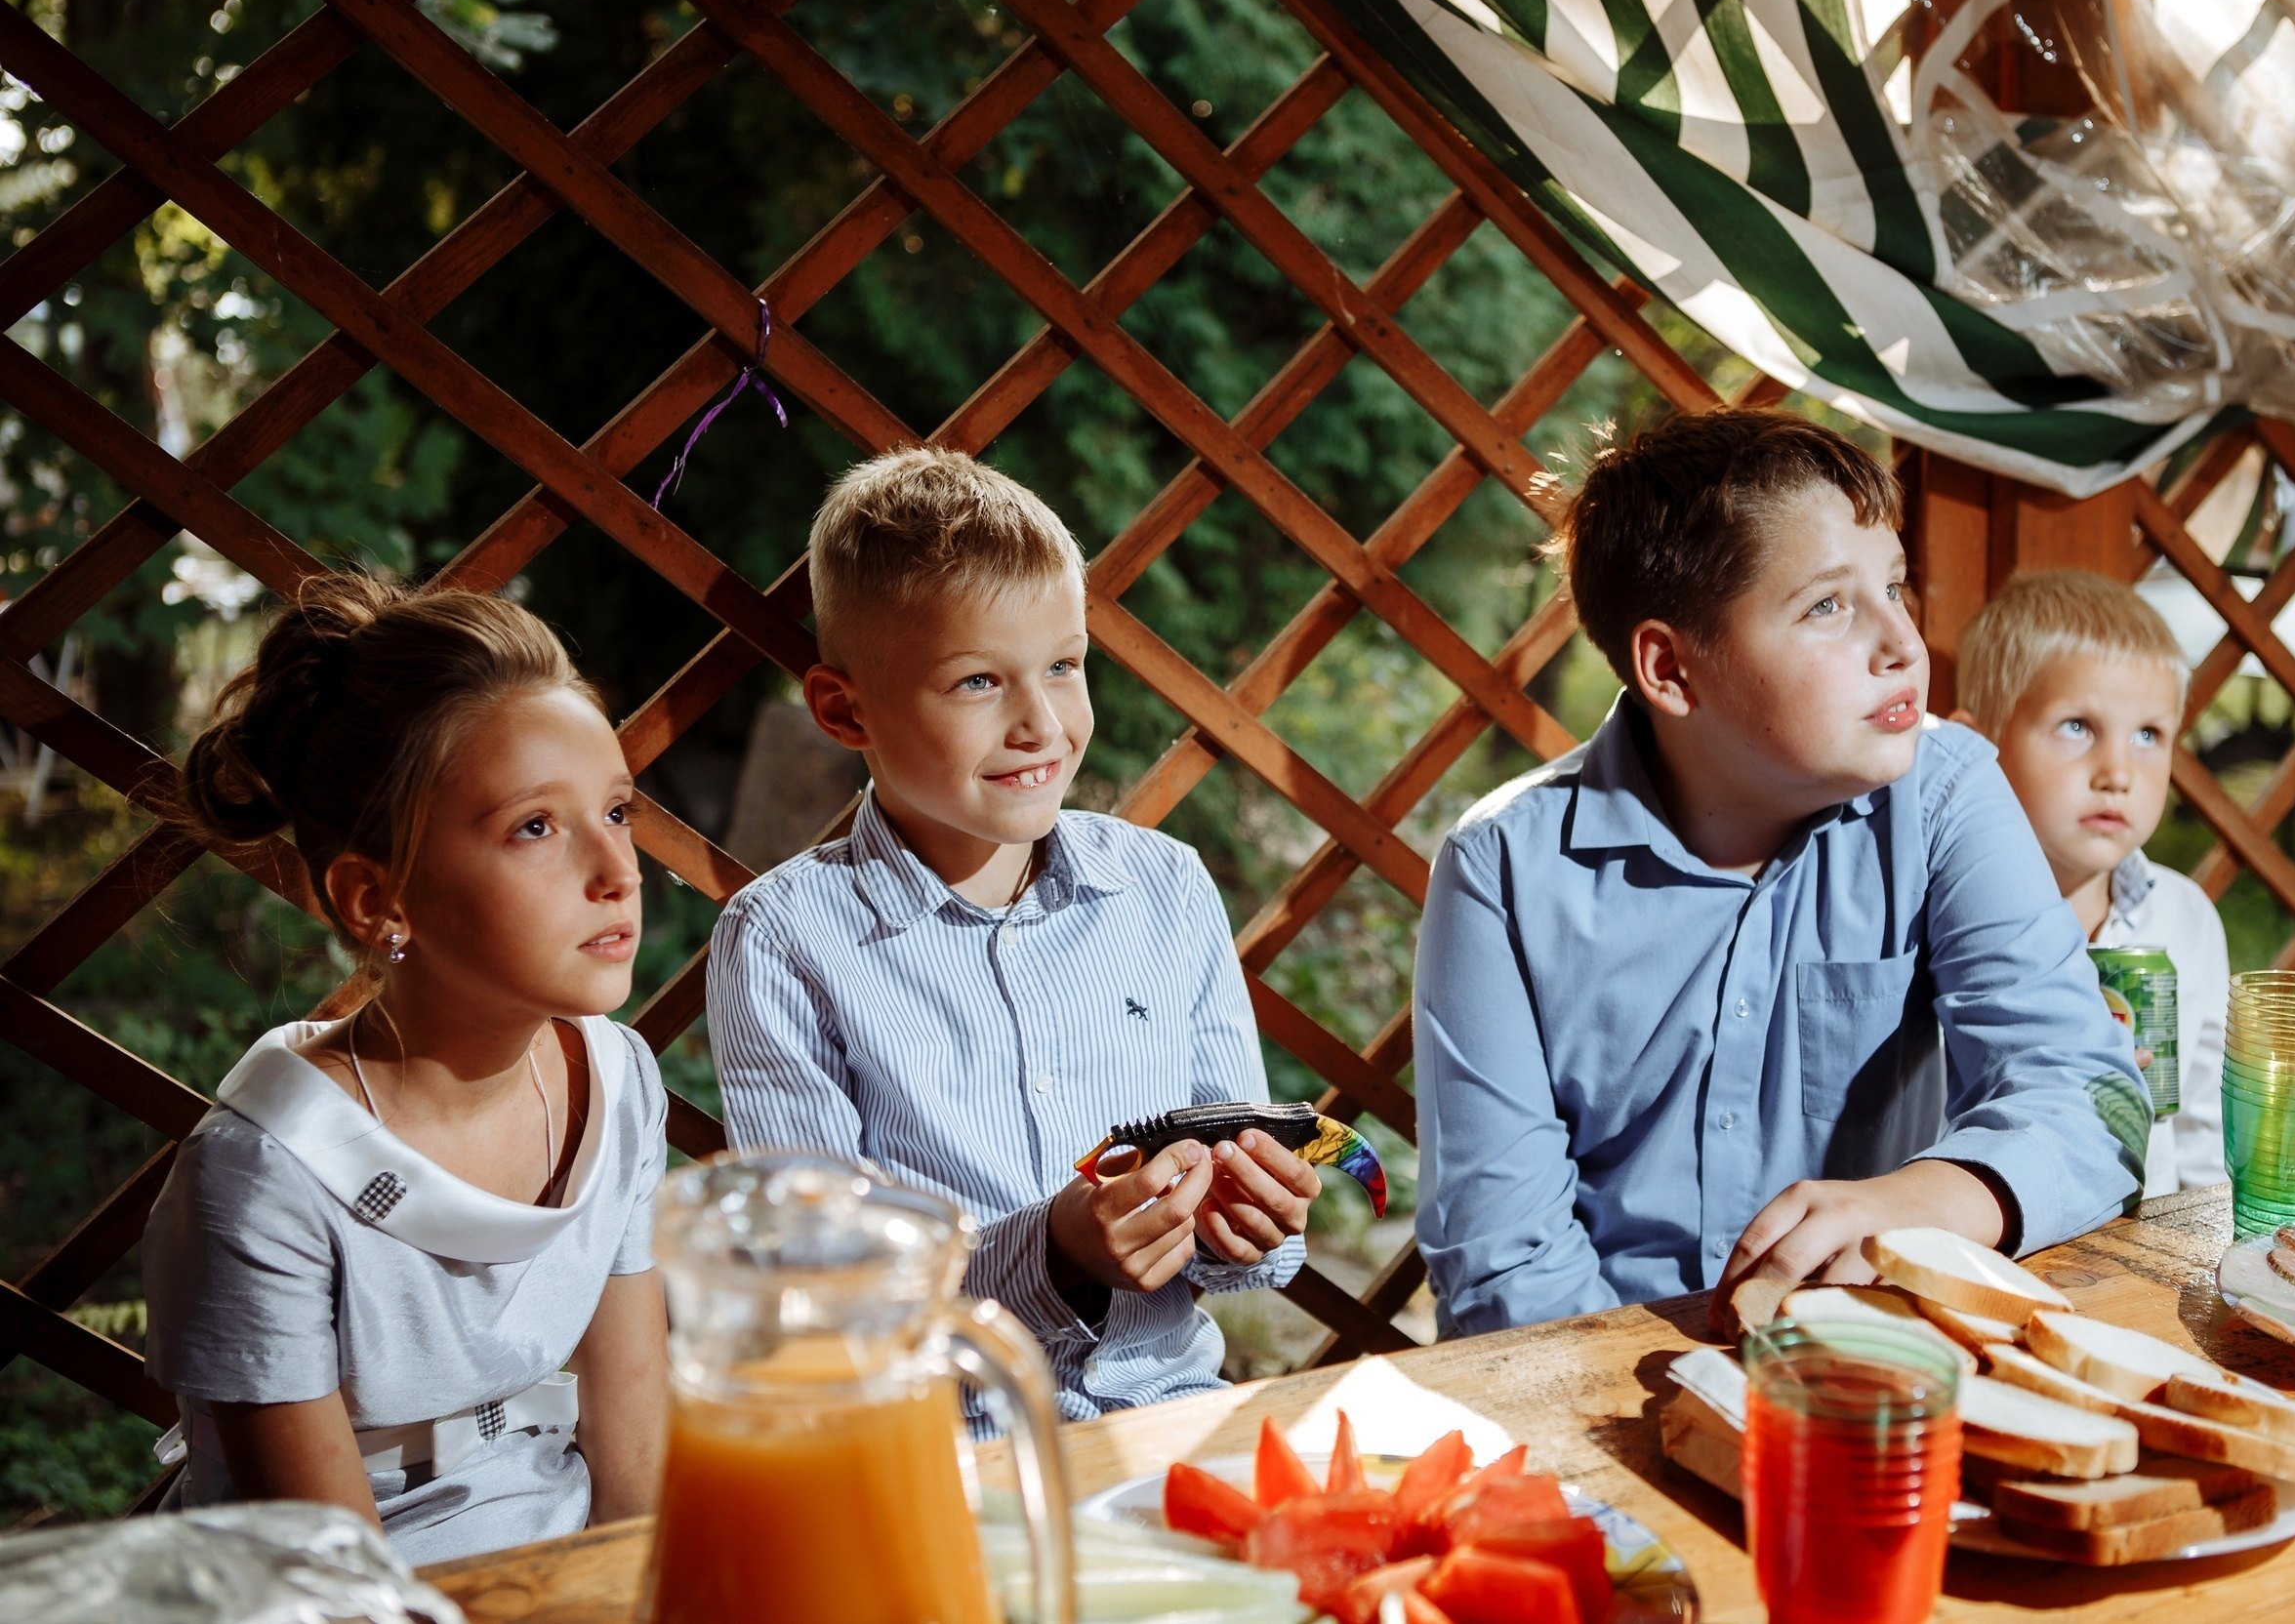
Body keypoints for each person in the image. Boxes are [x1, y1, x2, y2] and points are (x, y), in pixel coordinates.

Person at [1412, 409, 2148, 1341]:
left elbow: (2093, 1099)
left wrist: (1919, 1201)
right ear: (1671, 668)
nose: (1904, 642)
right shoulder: (1502, 870)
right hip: (1588, 1366)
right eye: (1827, 606)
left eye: (1894, 586)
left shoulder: (1945, 792)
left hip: (1867, 1359)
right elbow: (1504, 1262)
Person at [709, 447, 1319, 1422]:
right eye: (978, 682)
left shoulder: (1164, 889)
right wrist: (1053, 1251)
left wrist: (1246, 1221)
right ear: (843, 709)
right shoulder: (785, 942)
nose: (1041, 722)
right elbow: (825, 1298)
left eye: (1064, 666)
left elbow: (1242, 1233)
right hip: (938, 1449)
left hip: (1169, 1415)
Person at [143, 574, 670, 1564]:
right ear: (376, 900)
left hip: (558, 1553)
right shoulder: (263, 1180)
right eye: (536, 827)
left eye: (617, 810)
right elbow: (337, 1574)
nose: (618, 871)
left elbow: (633, 1459)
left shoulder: (617, 1077)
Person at [1951, 570, 2225, 1198]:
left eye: (2148, 735)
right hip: (1991, 1231)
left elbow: (2202, 1128)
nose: (2118, 772)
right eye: (2077, 725)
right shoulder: (1944, 926)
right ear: (1975, 746)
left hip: (2152, 1242)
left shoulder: (2185, 917)